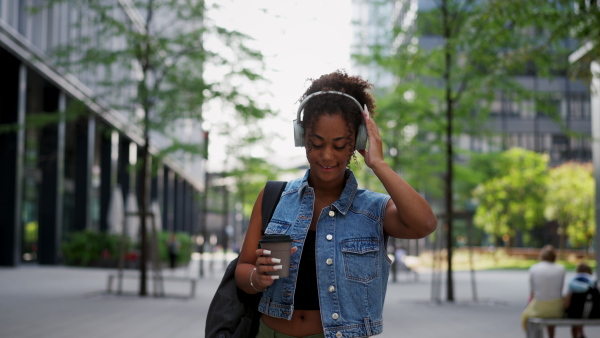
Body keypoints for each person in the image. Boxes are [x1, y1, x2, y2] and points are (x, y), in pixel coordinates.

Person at [234, 70, 437, 338]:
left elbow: (425, 224)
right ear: (301, 137)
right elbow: (242, 269)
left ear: (357, 142)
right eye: (315, 143)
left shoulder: (374, 210)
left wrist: (378, 163)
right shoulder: (274, 197)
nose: (327, 155)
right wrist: (256, 278)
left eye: (340, 145)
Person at [521, 245, 565, 338]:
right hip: (556, 309)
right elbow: (560, 290)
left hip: (539, 308)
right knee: (552, 306)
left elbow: (532, 293)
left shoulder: (534, 268)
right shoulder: (561, 269)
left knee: (526, 315)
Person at [564, 262, 597, 338]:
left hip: (574, 314)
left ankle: (577, 335)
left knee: (577, 317)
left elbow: (566, 303)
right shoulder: (593, 283)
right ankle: (581, 333)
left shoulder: (573, 283)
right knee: (583, 312)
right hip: (592, 315)